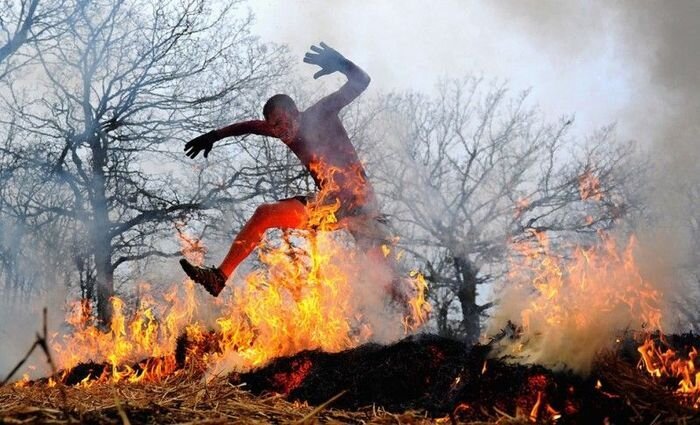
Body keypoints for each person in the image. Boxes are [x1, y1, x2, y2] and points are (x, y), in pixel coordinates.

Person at [180, 42, 391, 297]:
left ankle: (411, 320)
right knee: (265, 214)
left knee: (385, 278)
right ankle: (218, 278)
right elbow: (247, 126)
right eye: (273, 127)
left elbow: (362, 81)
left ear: (295, 112)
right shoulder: (278, 130)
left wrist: (341, 63)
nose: (279, 131)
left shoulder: (320, 114)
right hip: (329, 206)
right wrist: (214, 135)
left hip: (362, 206)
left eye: (281, 123)